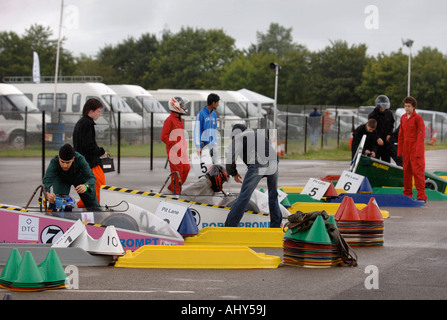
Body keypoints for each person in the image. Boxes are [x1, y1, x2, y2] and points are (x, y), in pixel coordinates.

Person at [224, 124, 282, 228]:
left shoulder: (239, 137)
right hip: (274, 160)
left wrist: (233, 173)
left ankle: (230, 226)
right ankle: (276, 225)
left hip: (259, 162)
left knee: (244, 196)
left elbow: (230, 158)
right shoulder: (257, 134)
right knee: (273, 195)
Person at [43, 143, 100, 209]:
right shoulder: (54, 161)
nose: (65, 165)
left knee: (92, 203)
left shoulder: (80, 159)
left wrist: (86, 186)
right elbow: (47, 180)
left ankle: (95, 214)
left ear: (73, 158)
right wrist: (47, 194)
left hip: (79, 179)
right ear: (59, 157)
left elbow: (92, 177)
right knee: (58, 201)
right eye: (62, 162)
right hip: (62, 179)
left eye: (67, 162)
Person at [73, 98, 107, 207]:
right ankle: (94, 209)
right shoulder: (88, 124)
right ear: (90, 111)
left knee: (86, 191)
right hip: (91, 164)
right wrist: (101, 151)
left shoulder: (80, 123)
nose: (100, 114)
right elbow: (89, 145)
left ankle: (84, 206)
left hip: (83, 163)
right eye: (98, 111)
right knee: (98, 188)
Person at [397, 96, 427, 202]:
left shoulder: (418, 118)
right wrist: (400, 150)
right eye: (405, 106)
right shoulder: (403, 118)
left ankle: (421, 196)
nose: (406, 108)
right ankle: (407, 194)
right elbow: (401, 134)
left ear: (413, 107)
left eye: (409, 106)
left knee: (418, 173)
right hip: (406, 150)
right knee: (406, 172)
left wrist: (418, 151)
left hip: (416, 150)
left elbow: (421, 134)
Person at [161, 96, 190, 194]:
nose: (183, 106)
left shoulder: (180, 119)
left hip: (182, 151)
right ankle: (176, 192)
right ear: (175, 106)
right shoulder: (169, 120)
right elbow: (163, 136)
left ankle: (171, 189)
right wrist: (174, 145)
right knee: (177, 173)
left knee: (186, 169)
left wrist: (184, 144)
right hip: (174, 152)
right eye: (182, 105)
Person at [368, 95, 395, 162]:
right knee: (375, 162)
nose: (383, 108)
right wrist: (377, 138)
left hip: (386, 143)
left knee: (386, 162)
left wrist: (389, 134)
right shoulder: (372, 115)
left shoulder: (389, 114)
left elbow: (391, 126)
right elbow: (371, 129)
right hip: (375, 143)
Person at [194, 93, 219, 163]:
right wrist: (198, 146)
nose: (218, 105)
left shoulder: (214, 114)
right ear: (213, 103)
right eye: (217, 102)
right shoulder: (201, 114)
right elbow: (197, 131)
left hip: (213, 144)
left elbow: (214, 129)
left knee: (217, 165)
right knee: (207, 166)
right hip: (204, 145)